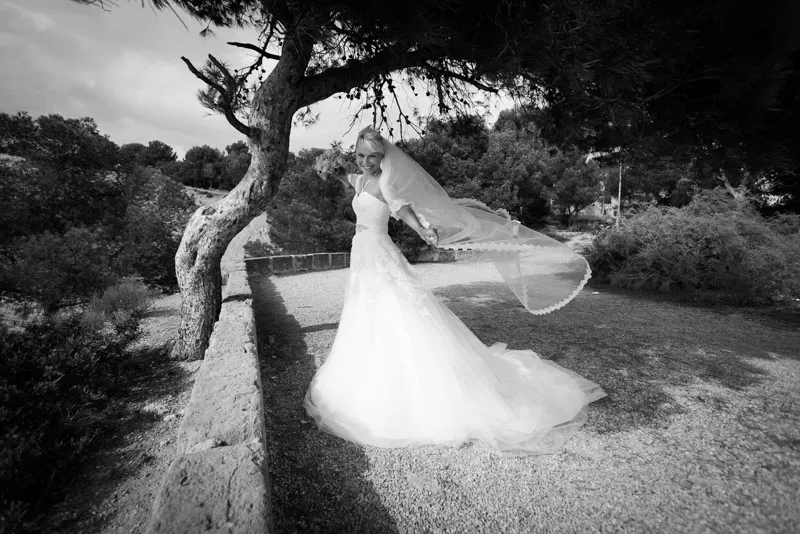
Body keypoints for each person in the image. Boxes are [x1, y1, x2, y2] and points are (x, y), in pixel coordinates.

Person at [303, 126, 606, 455]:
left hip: (378, 251)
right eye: (360, 155)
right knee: (365, 310)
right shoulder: (359, 180)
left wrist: (422, 230)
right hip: (361, 254)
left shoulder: (386, 183)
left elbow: (403, 211)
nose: (365, 162)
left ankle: (419, 388)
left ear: (383, 157)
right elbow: (348, 182)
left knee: (397, 309)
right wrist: (329, 169)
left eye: (372, 156)